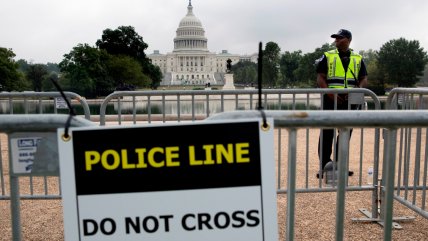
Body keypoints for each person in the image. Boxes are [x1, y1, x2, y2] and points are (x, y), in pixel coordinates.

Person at [315, 29, 368, 178]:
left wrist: (357, 90)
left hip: (349, 101)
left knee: (345, 134)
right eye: (336, 38)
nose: (336, 40)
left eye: (340, 38)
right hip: (330, 100)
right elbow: (320, 78)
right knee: (326, 133)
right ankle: (325, 166)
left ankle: (339, 165)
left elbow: (364, 78)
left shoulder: (358, 58)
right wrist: (330, 94)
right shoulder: (328, 56)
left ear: (349, 40)